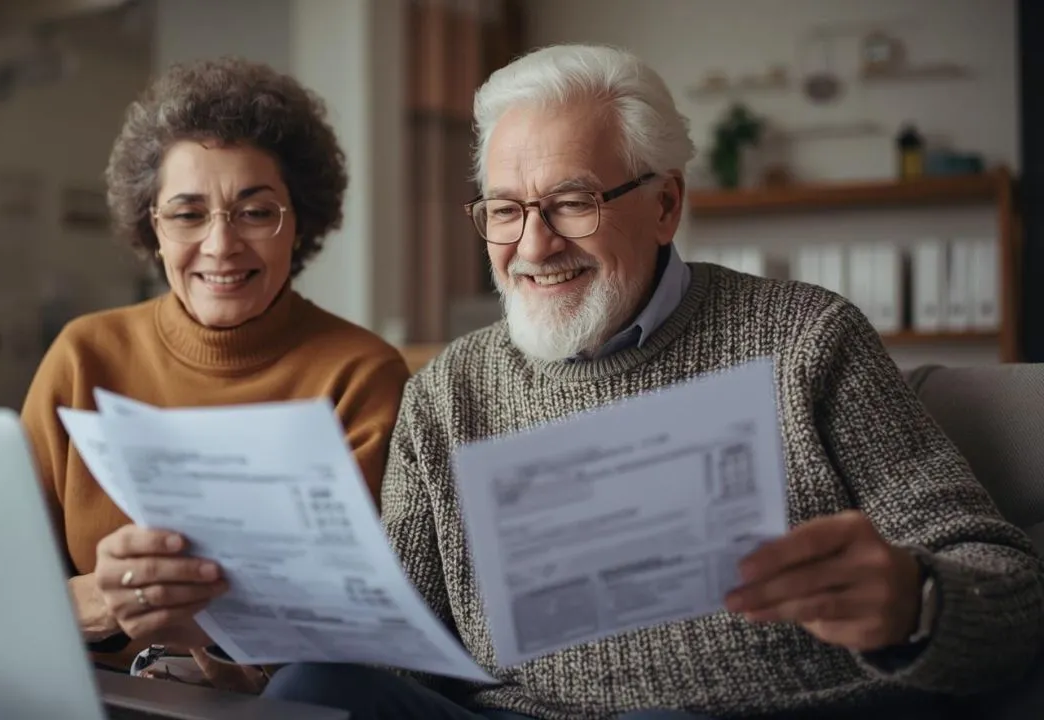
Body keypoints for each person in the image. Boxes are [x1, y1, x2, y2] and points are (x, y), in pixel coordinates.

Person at [260, 44, 1044, 719]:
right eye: (505, 209)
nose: (533, 245)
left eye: (572, 203)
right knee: (312, 684)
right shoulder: (447, 392)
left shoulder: (807, 340)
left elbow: (1009, 589)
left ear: (665, 203)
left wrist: (916, 600)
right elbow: (400, 653)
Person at [20, 58, 411, 691]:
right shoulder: (82, 354)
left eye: (255, 212)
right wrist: (90, 603)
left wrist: (244, 663)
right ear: (153, 227)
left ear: (300, 222)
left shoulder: (361, 375)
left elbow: (358, 631)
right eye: (187, 213)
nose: (221, 244)